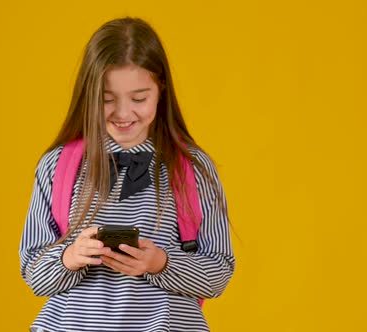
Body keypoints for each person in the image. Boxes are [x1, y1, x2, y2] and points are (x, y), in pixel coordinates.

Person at [19, 17, 235, 332]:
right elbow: (34, 273)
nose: (123, 113)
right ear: (88, 94)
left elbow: (218, 272)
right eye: (107, 99)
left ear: (161, 89)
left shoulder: (194, 169)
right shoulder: (57, 167)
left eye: (138, 98)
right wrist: (71, 257)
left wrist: (161, 264)